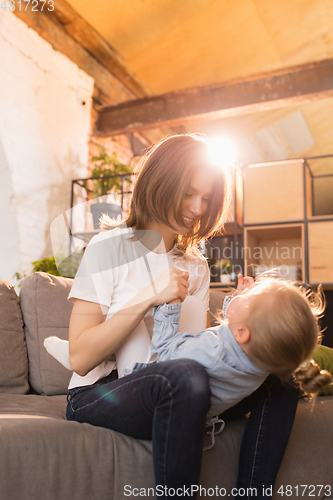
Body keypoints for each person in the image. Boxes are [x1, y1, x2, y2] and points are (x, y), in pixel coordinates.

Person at [44, 134, 300, 499]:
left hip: (181, 387)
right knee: (185, 376)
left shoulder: (195, 265)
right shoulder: (108, 248)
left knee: (281, 379)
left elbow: (200, 349)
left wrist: (245, 314)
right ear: (160, 182)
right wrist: (149, 296)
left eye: (206, 198)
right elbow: (81, 358)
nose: (197, 207)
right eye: (188, 193)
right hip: (102, 393)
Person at [140, 276, 332, 420]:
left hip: (152, 389)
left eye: (249, 299)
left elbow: (164, 353)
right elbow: (237, 338)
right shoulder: (260, 363)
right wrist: (240, 299)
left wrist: (170, 306)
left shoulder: (214, 350)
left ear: (242, 331)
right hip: (209, 404)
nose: (246, 294)